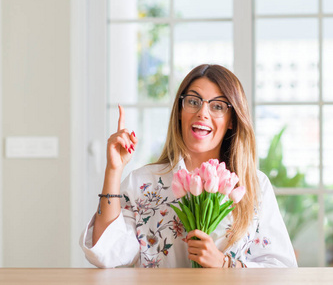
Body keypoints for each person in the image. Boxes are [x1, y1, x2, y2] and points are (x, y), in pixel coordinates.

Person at [80, 64, 298, 268]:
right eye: (193, 101)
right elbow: (106, 253)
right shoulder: (143, 182)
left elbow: (281, 268)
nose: (202, 113)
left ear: (231, 120)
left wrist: (225, 264)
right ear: (180, 112)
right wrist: (114, 170)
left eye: (218, 106)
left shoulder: (253, 185)